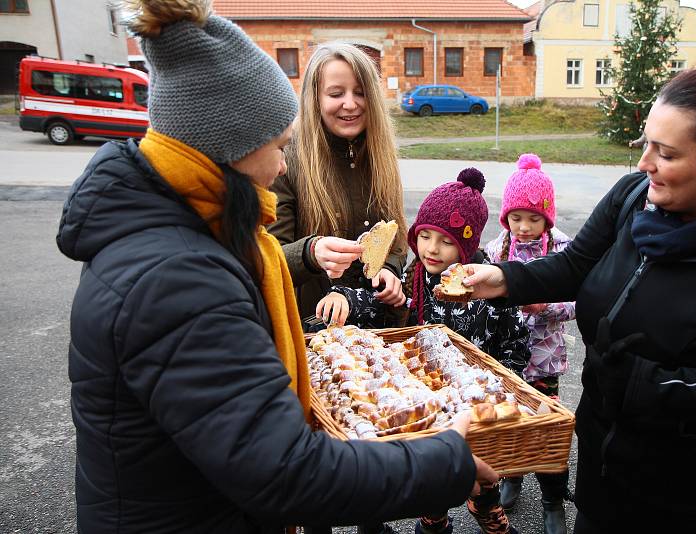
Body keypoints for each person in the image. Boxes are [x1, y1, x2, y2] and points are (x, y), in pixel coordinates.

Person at [56, 2, 497, 532]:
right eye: (277, 145)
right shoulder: (177, 280)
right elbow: (285, 471)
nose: (283, 163)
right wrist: (443, 462)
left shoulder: (182, 239)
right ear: (232, 147)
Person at [461, 64, 696, 533]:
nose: (644, 163)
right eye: (646, 143)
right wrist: (501, 279)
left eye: (666, 153)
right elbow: (575, 265)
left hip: (681, 481)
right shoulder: (635, 195)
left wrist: (648, 385)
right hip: (603, 448)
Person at [319, 168, 527, 534]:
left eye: (445, 241)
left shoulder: (489, 285)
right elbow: (384, 304)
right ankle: (434, 520)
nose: (431, 249)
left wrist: (503, 382)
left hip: (477, 406)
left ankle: (489, 513)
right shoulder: (417, 276)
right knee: (437, 479)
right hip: (431, 404)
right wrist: (346, 297)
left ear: (465, 245)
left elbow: (515, 345)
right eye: (425, 236)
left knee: (482, 482)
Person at [270, 42, 408, 323]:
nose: (350, 103)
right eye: (336, 93)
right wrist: (310, 253)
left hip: (379, 325)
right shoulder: (286, 159)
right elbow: (268, 258)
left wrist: (390, 270)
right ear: (315, 98)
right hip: (315, 328)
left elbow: (396, 238)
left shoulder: (379, 153)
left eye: (360, 92)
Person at [484, 154, 575, 534]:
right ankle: (513, 476)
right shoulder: (496, 250)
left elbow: (577, 302)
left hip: (544, 361)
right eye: (516, 218)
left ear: (547, 218)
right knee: (511, 424)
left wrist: (544, 305)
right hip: (508, 363)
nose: (524, 228)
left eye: (534, 219)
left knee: (546, 427)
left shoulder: (563, 250)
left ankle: (553, 497)